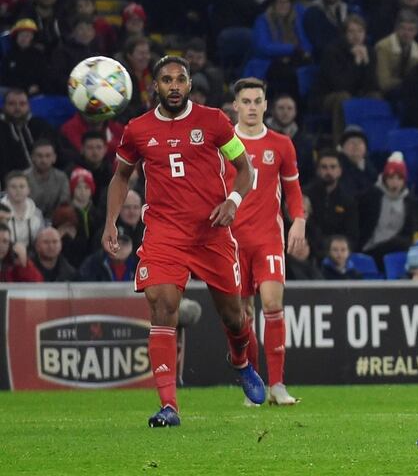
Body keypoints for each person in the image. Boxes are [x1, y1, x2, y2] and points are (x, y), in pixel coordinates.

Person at [101, 55, 263, 428]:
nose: (174, 86)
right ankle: (169, 407)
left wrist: (233, 202)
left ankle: (239, 360)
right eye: (166, 80)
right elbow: (121, 177)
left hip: (211, 232)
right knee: (161, 305)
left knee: (233, 316)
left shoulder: (214, 121)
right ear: (153, 86)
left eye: (180, 79)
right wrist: (110, 221)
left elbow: (245, 169)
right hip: (164, 233)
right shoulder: (138, 129)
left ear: (189, 84)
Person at [229, 78, 306, 406]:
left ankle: (277, 384)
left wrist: (298, 220)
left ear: (265, 104)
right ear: (236, 105)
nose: (251, 107)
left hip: (268, 238)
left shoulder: (281, 144)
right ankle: (255, 388)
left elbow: (292, 189)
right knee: (242, 314)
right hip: (231, 240)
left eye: (257, 101)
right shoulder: (223, 143)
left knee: (273, 304)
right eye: (245, 101)